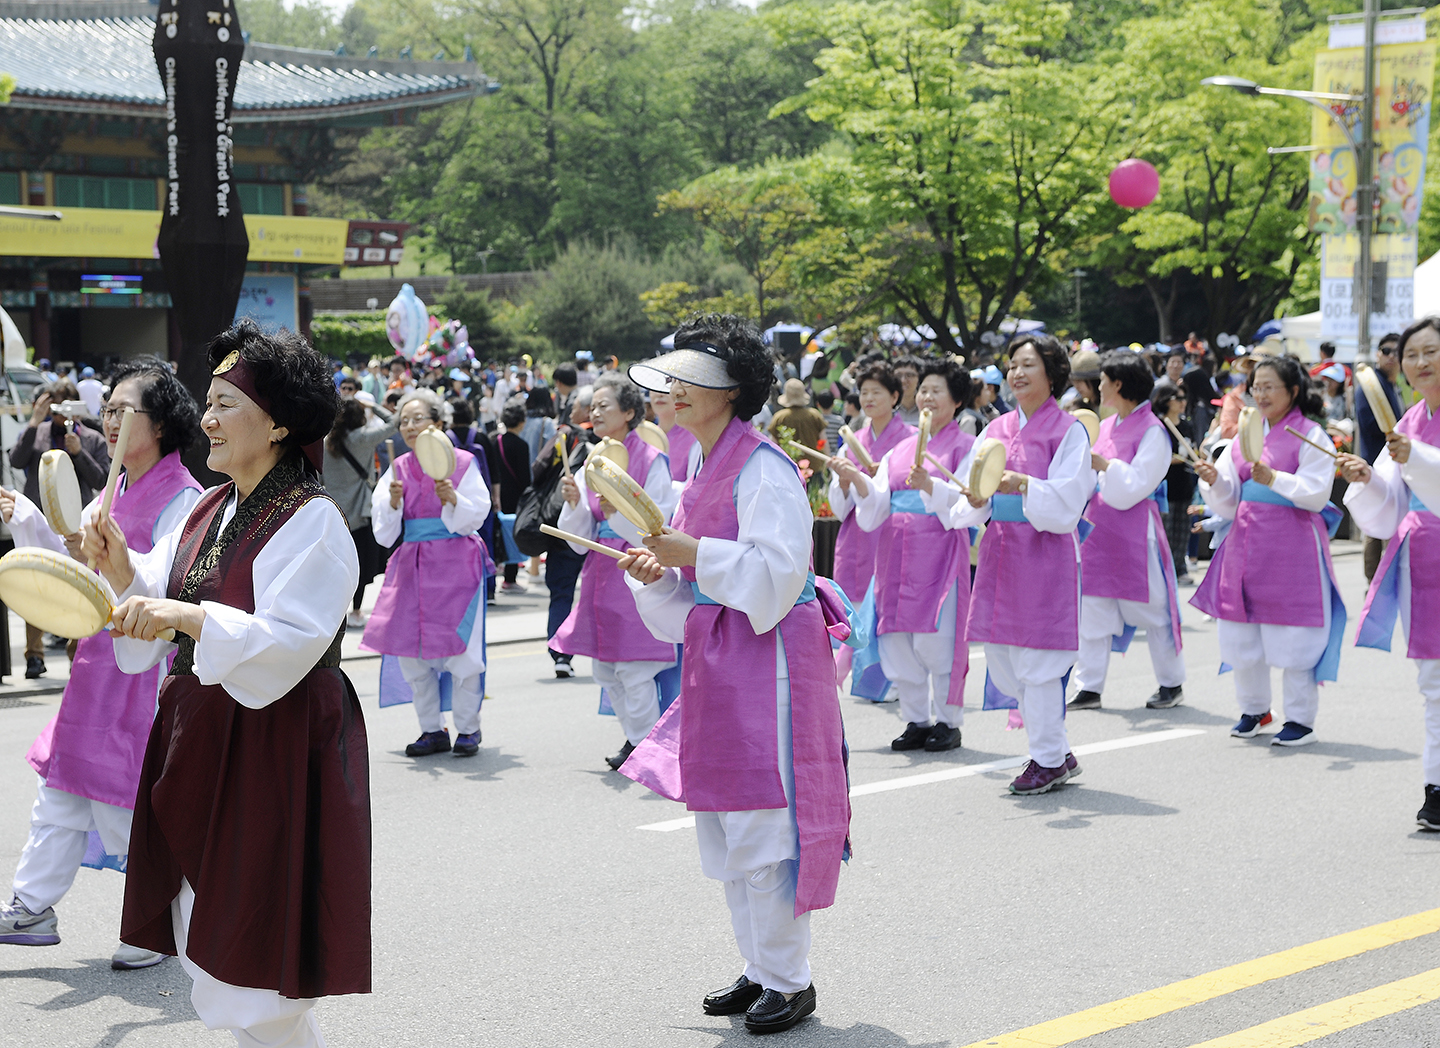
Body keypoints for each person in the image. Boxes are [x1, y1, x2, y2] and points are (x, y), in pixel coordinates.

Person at [82, 321, 368, 1048]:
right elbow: (166, 593)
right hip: (204, 730)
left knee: (255, 963)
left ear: (276, 422)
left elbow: (288, 642)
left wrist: (186, 615)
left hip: (273, 740)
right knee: (214, 931)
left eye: (225, 404)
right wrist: (123, 568)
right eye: (206, 402)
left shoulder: (313, 521)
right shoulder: (210, 508)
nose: (205, 419)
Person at [619, 314, 850, 1035]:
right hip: (722, 655)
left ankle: (790, 978)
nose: (673, 391)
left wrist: (695, 556)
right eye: (672, 378)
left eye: (691, 379)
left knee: (762, 826)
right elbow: (688, 593)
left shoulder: (764, 465)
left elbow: (782, 574)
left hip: (772, 660)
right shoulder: (701, 466)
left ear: (731, 389)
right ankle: (760, 968)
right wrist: (656, 575)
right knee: (724, 822)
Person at [0, 358, 203, 970]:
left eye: (124, 410)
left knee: (124, 804)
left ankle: (157, 921)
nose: (109, 421)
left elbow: (164, 585)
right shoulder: (110, 491)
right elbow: (77, 579)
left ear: (162, 422)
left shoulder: (187, 500)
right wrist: (32, 521)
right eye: (107, 409)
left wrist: (116, 565)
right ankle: (31, 905)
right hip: (96, 667)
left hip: (142, 670)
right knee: (60, 789)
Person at [932, 334, 1096, 795]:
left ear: (1052, 373)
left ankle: (1045, 758)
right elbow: (974, 494)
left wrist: (1024, 484)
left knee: (1038, 661)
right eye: (1012, 365)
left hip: (1045, 557)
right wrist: (976, 497)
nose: (1017, 373)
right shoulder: (996, 428)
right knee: (1005, 659)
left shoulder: (1070, 431)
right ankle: (1056, 751)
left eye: (1028, 364)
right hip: (1002, 553)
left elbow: (1068, 501)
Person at [1191, 355, 1345, 747]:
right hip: (1244, 543)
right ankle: (1254, 708)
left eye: (1268, 386)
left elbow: (1316, 494)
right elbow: (1228, 501)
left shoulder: (1310, 434)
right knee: (1242, 631)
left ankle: (1300, 719)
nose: (1260, 394)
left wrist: (1274, 477)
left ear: (1292, 391)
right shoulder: (1246, 433)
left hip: (1292, 546)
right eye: (1255, 387)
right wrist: (1213, 481)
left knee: (1293, 632)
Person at [844, 359, 975, 749]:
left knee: (936, 637)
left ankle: (948, 721)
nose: (928, 397)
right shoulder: (901, 449)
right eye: (924, 390)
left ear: (956, 400)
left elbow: (968, 502)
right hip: (895, 553)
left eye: (937, 390)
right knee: (897, 637)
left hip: (939, 553)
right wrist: (859, 483)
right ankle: (917, 719)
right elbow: (878, 504)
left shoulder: (967, 445)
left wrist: (932, 486)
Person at [1340, 316, 1440, 829]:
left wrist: (1416, 457)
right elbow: (1390, 501)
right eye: (1411, 355)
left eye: (1430, 352)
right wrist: (1367, 477)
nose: (1420, 363)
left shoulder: (1412, 436)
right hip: (1424, 559)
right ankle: (1437, 786)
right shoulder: (1409, 424)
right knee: (1434, 679)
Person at [552, 375, 679, 768]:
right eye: (593, 406)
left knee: (635, 667)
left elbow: (662, 521)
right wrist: (574, 504)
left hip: (638, 566)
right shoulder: (594, 459)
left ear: (628, 412)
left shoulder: (651, 458)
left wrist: (619, 515)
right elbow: (580, 535)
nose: (595, 411)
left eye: (605, 405)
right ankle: (637, 740)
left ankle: (646, 746)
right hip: (601, 569)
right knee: (607, 669)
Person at [362, 388, 492, 758]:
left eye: (418, 418)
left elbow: (476, 516)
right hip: (412, 565)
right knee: (412, 653)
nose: (409, 426)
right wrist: (392, 503)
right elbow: (383, 531)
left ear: (437, 423)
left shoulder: (463, 462)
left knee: (463, 653)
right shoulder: (398, 468)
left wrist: (454, 499)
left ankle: (468, 728)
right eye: (404, 420)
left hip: (458, 566)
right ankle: (431, 729)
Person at [1069, 352, 1186, 711]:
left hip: (1135, 531)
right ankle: (1089, 686)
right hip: (1099, 531)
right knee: (1093, 607)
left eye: (1103, 380)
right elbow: (1089, 478)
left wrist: (1105, 466)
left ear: (1118, 384)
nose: (1098, 386)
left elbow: (1136, 485)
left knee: (1154, 607)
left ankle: (1171, 682)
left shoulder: (1154, 430)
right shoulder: (1106, 426)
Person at [9, 379, 110, 678]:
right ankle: (34, 655)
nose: (60, 416)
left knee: (74, 586)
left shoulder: (91, 438)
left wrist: (79, 453)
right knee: (35, 585)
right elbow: (16, 460)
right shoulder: (37, 432)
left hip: (74, 525)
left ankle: (74, 653)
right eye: (54, 407)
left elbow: (102, 481)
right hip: (38, 521)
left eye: (66, 407)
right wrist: (33, 423)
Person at [826, 362, 913, 618]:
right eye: (864, 392)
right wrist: (843, 483)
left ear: (894, 396)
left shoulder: (912, 440)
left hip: (895, 532)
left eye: (876, 392)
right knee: (854, 619)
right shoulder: (851, 444)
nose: (868, 398)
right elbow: (840, 510)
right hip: (857, 539)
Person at [324, 395, 398, 628]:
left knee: (336, 566)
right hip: (361, 513)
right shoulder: (363, 438)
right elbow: (395, 422)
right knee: (361, 566)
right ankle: (356, 611)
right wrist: (373, 406)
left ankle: (336, 611)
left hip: (334, 513)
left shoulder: (326, 442)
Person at [1357, 332, 1406, 582]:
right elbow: (1371, 424)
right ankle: (1375, 582)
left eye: (1397, 352)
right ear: (1377, 354)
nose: (1391, 356)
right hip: (1376, 465)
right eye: (1386, 351)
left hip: (1396, 464)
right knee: (1375, 527)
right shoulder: (1370, 383)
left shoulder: (1396, 385)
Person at [1152, 385, 1197, 585]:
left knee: (1182, 530)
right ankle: (1163, 569)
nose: (1182, 402)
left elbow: (1193, 448)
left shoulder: (1187, 425)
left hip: (1184, 483)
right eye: (1177, 398)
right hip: (1166, 485)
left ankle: (1180, 568)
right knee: (1166, 530)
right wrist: (1173, 459)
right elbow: (1156, 456)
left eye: (1183, 397)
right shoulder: (1159, 425)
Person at [489, 400, 531, 590]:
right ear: (521, 422)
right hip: (515, 497)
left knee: (495, 534)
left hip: (494, 495)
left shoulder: (492, 439)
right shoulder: (521, 445)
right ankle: (510, 578)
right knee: (512, 534)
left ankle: (494, 569)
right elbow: (524, 478)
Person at [652, 387, 700, 486]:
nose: (659, 394)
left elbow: (693, 487)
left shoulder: (695, 438)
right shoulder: (644, 435)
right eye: (653, 387)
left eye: (667, 385)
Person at [767, 379, 827, 455]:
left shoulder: (779, 417)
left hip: (789, 463)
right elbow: (823, 440)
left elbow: (773, 444)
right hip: (815, 463)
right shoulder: (814, 415)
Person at [893, 355, 922, 425]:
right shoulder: (886, 409)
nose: (903, 380)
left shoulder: (928, 410)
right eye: (898, 375)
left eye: (909, 375)